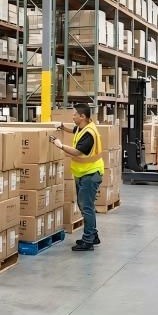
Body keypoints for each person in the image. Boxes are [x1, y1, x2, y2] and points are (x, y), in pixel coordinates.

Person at [51, 103, 104, 252]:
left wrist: (60, 145)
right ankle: (92, 235)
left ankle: (88, 241)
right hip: (83, 173)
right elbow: (74, 130)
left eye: (74, 114)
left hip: (90, 174)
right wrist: (62, 126)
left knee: (86, 207)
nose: (72, 116)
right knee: (85, 206)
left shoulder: (89, 133)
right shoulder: (83, 128)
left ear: (82, 117)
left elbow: (77, 152)